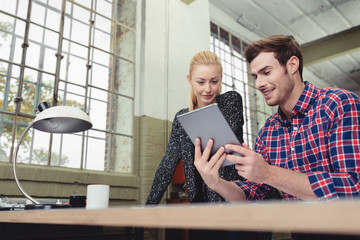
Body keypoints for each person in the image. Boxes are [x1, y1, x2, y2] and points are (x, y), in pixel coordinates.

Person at [194, 35, 360, 239]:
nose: (259, 84)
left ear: (292, 65)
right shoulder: (268, 133)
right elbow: (253, 195)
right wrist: (215, 182)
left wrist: (268, 173)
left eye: (266, 72)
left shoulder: (338, 104)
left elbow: (353, 187)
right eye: (256, 76)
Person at [146, 50, 244, 205]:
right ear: (189, 80)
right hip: (202, 201)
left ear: (221, 79)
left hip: (234, 193)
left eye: (214, 81)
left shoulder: (231, 101)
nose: (208, 89)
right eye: (201, 82)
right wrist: (149, 206)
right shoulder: (181, 119)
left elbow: (226, 144)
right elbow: (167, 165)